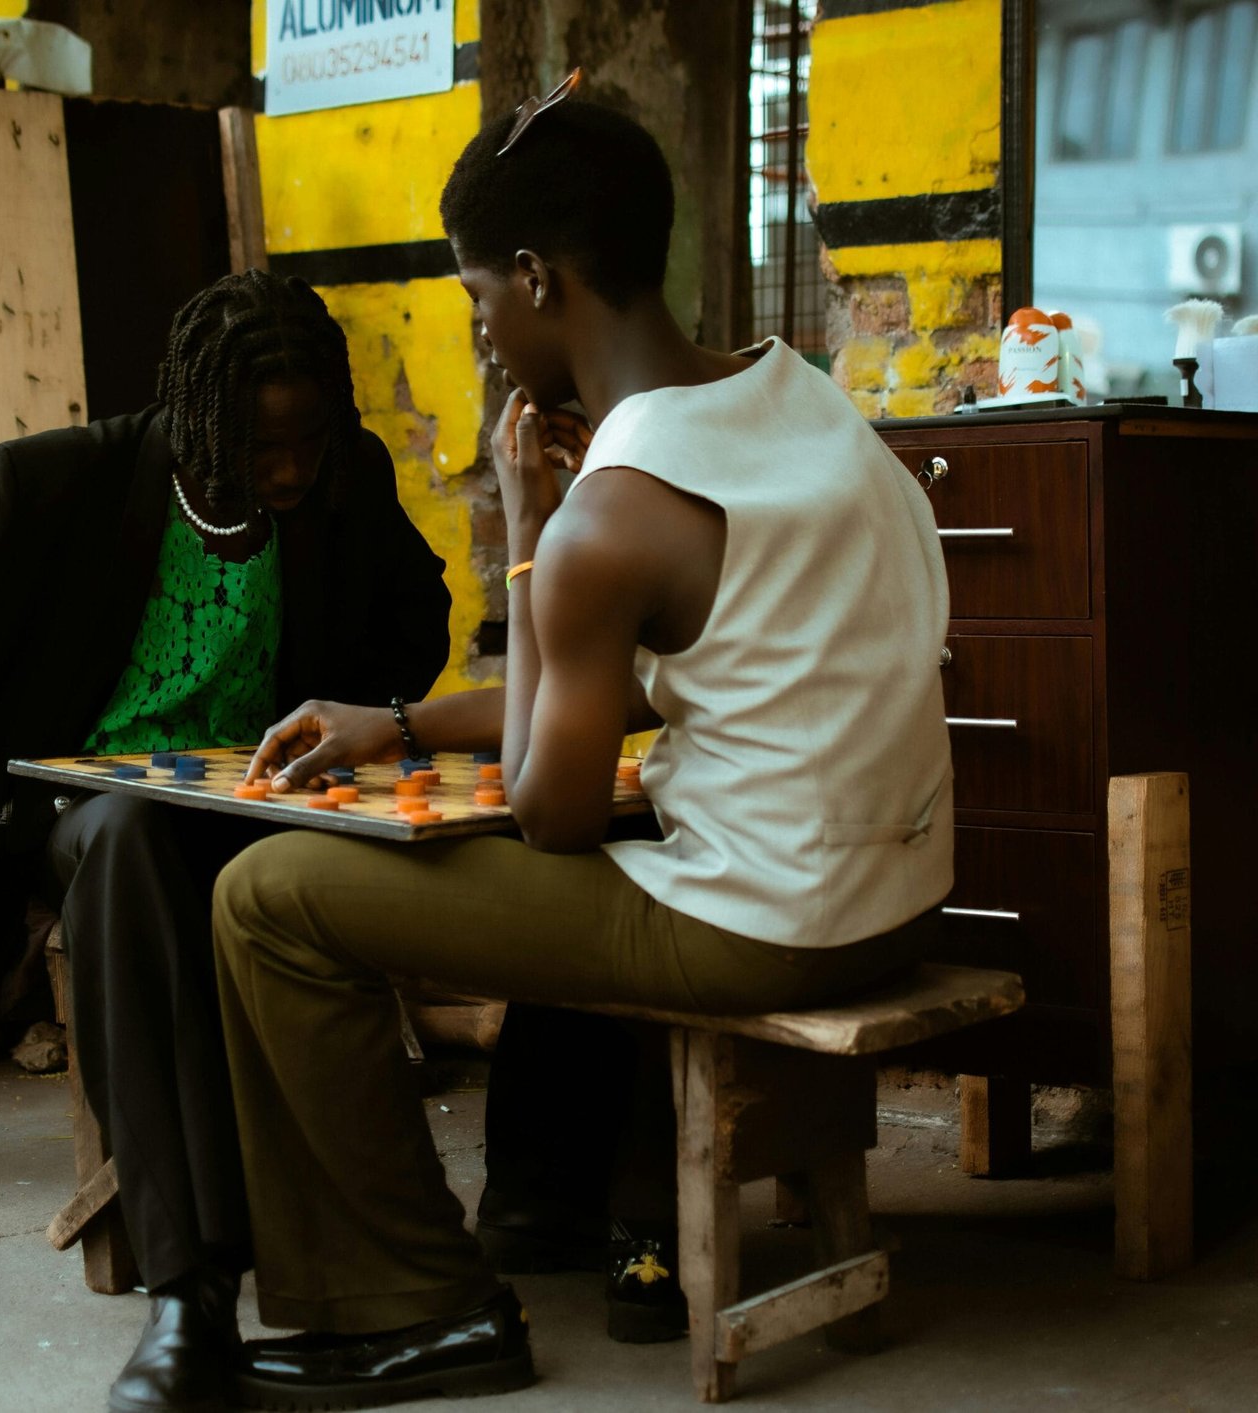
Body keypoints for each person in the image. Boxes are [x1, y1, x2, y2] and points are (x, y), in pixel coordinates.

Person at [207, 91, 954, 1410]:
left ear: (541, 281)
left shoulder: (616, 509)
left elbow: (553, 807)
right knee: (548, 837)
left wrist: (533, 528)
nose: (482, 331)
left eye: (479, 294)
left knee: (265, 895)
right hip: (894, 901)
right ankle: (547, 1210)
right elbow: (680, 681)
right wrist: (400, 722)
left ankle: (413, 1304)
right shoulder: (815, 415)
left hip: (761, 923)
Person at [0, 269, 452, 1413]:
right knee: (135, 845)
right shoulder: (46, 485)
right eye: (260, 448)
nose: (290, 472)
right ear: (196, 418)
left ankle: (410, 1264)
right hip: (82, 822)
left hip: (259, 811)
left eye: (311, 441)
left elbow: (415, 616)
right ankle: (189, 1293)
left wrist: (344, 726)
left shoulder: (344, 483)